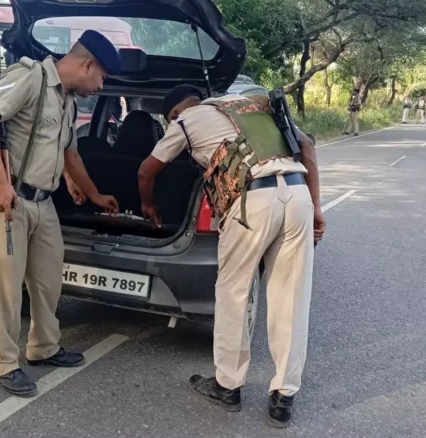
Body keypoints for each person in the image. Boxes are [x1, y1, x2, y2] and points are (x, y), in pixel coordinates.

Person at [137, 85, 326, 427]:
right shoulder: (254, 102)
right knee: (292, 297)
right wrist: (317, 208)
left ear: (175, 112)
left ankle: (227, 386)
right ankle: (284, 397)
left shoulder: (185, 121)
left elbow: (146, 171)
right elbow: (307, 146)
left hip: (252, 201)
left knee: (234, 293)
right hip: (298, 193)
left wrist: (148, 204)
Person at [0, 30, 120, 397]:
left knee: (48, 280)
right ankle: (3, 363)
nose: (101, 86)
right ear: (86, 64)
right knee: (7, 288)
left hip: (44, 203)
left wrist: (94, 193)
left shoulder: (67, 99)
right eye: (101, 76)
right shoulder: (30, 78)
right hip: (10, 202)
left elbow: (71, 153)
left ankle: (43, 347)